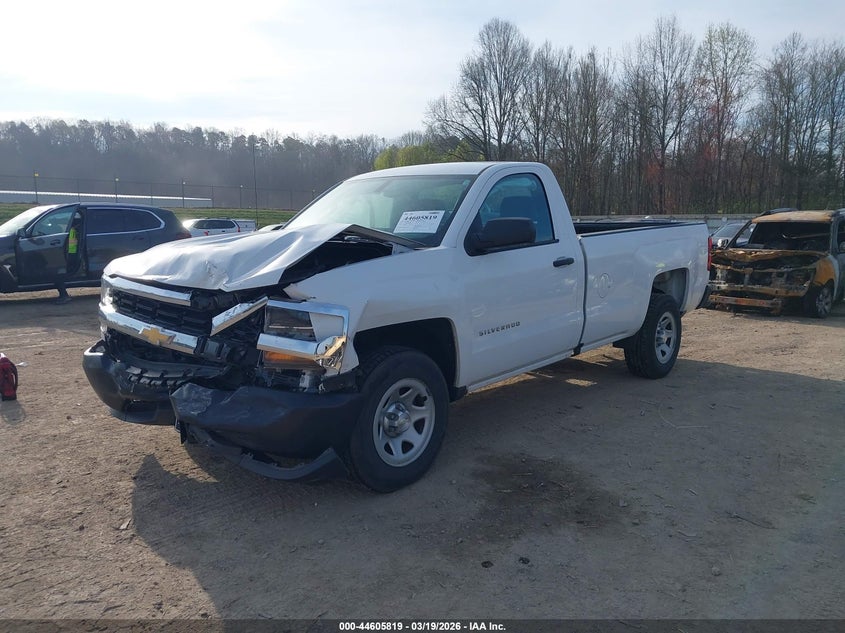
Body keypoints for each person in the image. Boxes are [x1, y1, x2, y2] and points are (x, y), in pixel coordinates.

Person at [55, 212, 83, 304]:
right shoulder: (75, 230)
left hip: (71, 255)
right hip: (70, 254)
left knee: (58, 275)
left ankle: (64, 295)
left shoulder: (74, 230)